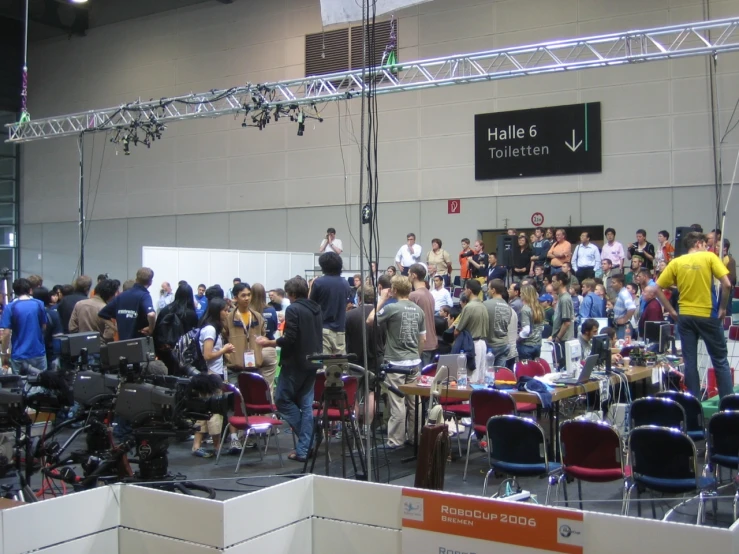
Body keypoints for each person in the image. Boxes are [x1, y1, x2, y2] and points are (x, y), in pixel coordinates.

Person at [655, 232, 733, 399]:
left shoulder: (676, 262)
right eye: (705, 244)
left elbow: (656, 288)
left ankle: (693, 405)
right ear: (698, 244)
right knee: (720, 360)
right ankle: (728, 404)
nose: (706, 247)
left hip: (685, 316)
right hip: (707, 314)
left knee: (690, 363)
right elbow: (727, 284)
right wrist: (723, 308)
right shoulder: (709, 257)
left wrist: (671, 311)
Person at [258, 277, 324, 462]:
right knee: (305, 404)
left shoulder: (294, 309)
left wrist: (269, 342)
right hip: (313, 361)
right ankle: (306, 444)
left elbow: (290, 338)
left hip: (295, 362)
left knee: (282, 399)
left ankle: (307, 438)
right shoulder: (316, 308)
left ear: (292, 294)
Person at [367, 276, 425, 449]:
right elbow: (423, 338)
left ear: (394, 289)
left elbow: (370, 320)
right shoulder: (418, 310)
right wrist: (416, 355)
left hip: (396, 362)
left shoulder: (391, 308)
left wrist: (382, 299)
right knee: (415, 402)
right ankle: (415, 437)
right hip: (414, 361)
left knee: (397, 401)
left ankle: (396, 440)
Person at [192, 298, 234, 458]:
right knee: (215, 411)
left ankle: (197, 446)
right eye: (225, 310)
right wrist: (224, 350)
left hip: (208, 375)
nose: (227, 313)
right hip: (211, 377)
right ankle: (217, 445)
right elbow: (207, 355)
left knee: (202, 412)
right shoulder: (210, 330)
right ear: (218, 311)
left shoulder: (210, 328)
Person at [345, 285, 385, 425]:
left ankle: (355, 427)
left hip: (354, 358)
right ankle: (368, 427)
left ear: (359, 297)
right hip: (376, 358)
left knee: (354, 394)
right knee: (371, 393)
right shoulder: (381, 315)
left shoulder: (350, 315)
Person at [0, 278, 47, 374]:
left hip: (19, 354)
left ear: (15, 291)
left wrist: (4, 352)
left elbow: (6, 333)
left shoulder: (11, 307)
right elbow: (44, 327)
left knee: (19, 385)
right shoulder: (39, 304)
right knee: (42, 383)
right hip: (38, 352)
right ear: (30, 290)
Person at [98, 267, 157, 341]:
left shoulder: (121, 296)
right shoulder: (144, 296)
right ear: (150, 282)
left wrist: (116, 328)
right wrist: (151, 329)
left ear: (136, 279)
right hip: (140, 342)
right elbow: (151, 314)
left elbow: (102, 315)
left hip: (123, 342)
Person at [310, 252, 351, 354]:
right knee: (339, 365)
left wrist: (311, 287)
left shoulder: (318, 282)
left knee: (323, 364)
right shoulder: (345, 283)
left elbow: (311, 305)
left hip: (323, 329)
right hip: (340, 329)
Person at [223, 282, 266, 381]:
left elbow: (263, 335)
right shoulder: (229, 318)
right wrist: (229, 356)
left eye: (249, 295)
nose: (247, 298)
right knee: (236, 396)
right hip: (235, 368)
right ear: (235, 298)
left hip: (255, 366)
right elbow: (223, 338)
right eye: (243, 295)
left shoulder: (257, 316)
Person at [154, 283, 199, 375]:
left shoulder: (165, 310)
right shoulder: (191, 314)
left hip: (165, 349)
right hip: (183, 353)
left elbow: (157, 330)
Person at [454, 279, 489, 380]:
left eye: (465, 289)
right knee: (480, 377)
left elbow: (458, 330)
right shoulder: (483, 305)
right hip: (483, 344)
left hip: (472, 345)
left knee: (471, 377)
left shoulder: (469, 307)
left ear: (469, 290)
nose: (464, 291)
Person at [69, 279, 118, 344]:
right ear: (110, 295)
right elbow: (109, 334)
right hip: (100, 346)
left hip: (81, 345)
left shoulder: (79, 304)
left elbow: (72, 328)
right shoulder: (106, 309)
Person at [248, 283, 278, 389]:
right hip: (269, 347)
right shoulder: (271, 310)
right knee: (268, 387)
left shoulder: (247, 311)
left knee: (251, 386)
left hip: (251, 350)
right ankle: (269, 405)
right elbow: (275, 328)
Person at [408, 264, 438, 365]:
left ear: (413, 275)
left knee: (419, 379)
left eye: (408, 274)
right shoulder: (430, 294)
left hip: (421, 345)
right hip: (432, 342)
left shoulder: (414, 295)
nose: (407, 276)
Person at [32, 286, 62, 370]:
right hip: (49, 353)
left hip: (31, 351)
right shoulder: (53, 314)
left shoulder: (29, 313)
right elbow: (57, 337)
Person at [483, 279, 511, 367]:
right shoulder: (508, 307)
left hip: (490, 345)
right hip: (504, 344)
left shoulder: (485, 304)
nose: (487, 291)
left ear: (493, 290)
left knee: (487, 374)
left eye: (488, 288)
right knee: (500, 376)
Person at [518, 285, 544, 360]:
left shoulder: (525, 309)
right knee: (536, 369)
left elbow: (526, 330)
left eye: (522, 293)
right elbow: (542, 327)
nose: (520, 295)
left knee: (526, 370)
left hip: (526, 346)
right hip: (538, 344)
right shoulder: (540, 308)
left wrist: (518, 338)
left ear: (526, 295)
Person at [551, 272, 575, 344]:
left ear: (560, 282)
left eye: (553, 281)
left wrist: (558, 337)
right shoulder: (561, 297)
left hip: (564, 339)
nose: (552, 284)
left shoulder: (565, 299)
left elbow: (567, 322)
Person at [611, 274, 636, 340]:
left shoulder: (624, 294)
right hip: (619, 325)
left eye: (614, 283)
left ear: (620, 283)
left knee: (622, 346)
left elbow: (632, 307)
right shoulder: (621, 293)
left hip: (623, 326)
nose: (611, 285)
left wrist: (625, 319)